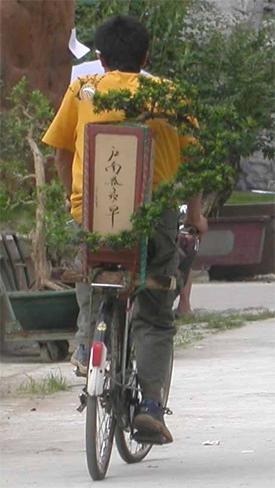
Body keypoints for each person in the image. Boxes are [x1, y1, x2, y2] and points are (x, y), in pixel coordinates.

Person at [42, 15, 207, 444]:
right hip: (156, 222)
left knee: (92, 271)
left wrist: (72, 200)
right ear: (146, 57)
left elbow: (61, 153)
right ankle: (151, 406)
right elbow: (194, 164)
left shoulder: (84, 90)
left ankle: (84, 344)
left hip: (94, 214)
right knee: (154, 312)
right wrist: (197, 214)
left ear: (99, 58)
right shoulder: (169, 95)